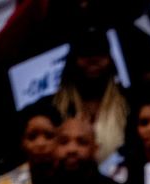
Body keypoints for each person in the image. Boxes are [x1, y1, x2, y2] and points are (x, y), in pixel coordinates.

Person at [50, 28, 131, 166]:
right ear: (73, 61)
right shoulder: (52, 107)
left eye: (100, 56)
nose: (93, 62)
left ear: (110, 60)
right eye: (85, 56)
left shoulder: (129, 102)